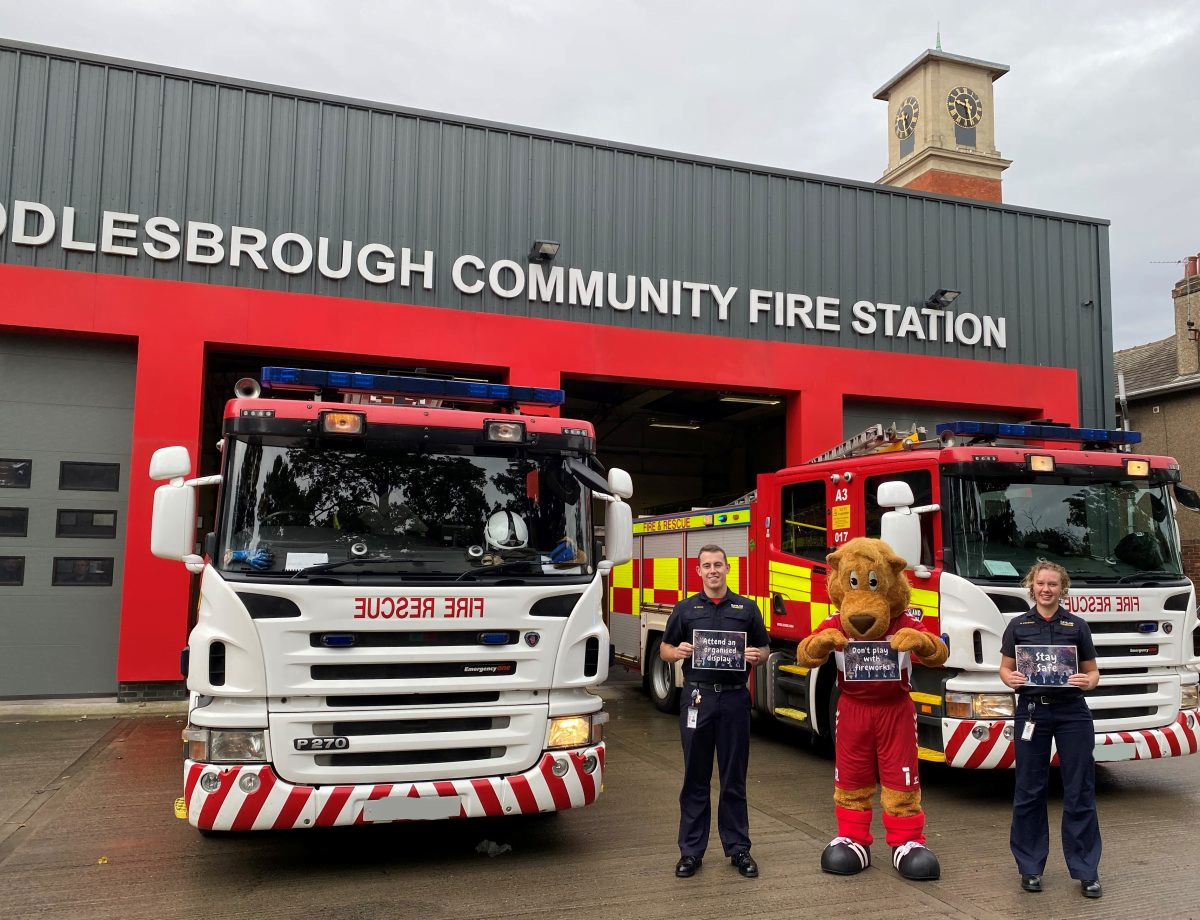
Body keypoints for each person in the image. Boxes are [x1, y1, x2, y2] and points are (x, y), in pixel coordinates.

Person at [659, 544, 770, 880]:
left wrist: (758, 656)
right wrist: (676, 651)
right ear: (698, 571)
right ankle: (691, 852)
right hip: (698, 700)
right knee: (695, 777)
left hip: (735, 701)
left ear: (727, 568)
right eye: (706, 566)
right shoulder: (685, 609)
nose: (713, 571)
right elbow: (664, 648)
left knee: (733, 777)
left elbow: (765, 648)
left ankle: (739, 849)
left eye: (718, 565)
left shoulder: (747, 609)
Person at [999, 561, 1102, 899]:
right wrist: (1009, 678)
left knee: (1080, 790)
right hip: (1031, 713)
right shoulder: (1017, 626)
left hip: (1073, 713)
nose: (1046, 589)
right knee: (1029, 790)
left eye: (1053, 584)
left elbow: (1092, 672)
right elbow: (1005, 668)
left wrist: (1088, 682)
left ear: (1062, 588)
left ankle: (1086, 870)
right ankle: (1030, 867)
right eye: (1041, 583)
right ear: (1032, 587)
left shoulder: (1077, 626)